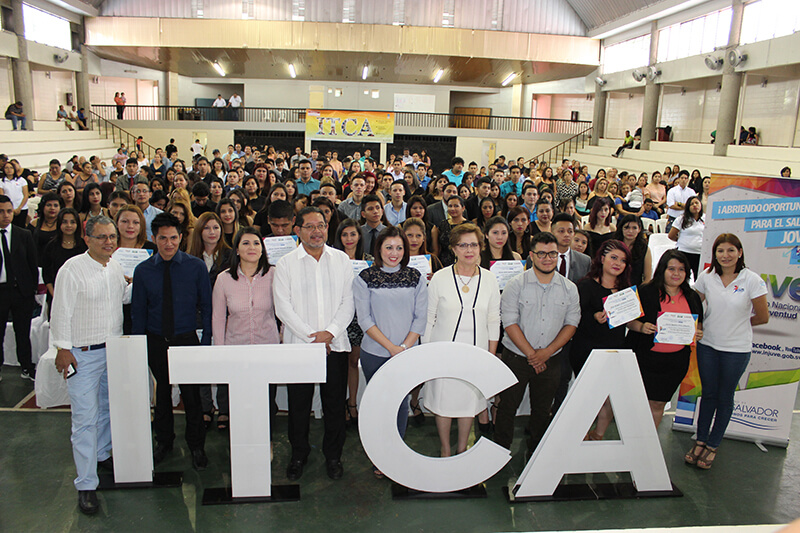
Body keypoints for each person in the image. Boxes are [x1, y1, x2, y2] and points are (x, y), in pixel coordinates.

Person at [51, 215, 127, 515]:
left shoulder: (116, 266)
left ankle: (102, 454)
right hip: (82, 354)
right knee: (84, 420)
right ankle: (85, 485)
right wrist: (62, 348)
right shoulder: (72, 270)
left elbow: (123, 298)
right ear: (87, 239)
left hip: (114, 351)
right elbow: (60, 312)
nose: (109, 242)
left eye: (112, 236)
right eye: (102, 237)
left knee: (107, 408)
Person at [273, 207, 355, 481]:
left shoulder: (341, 260)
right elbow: (283, 308)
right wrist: (313, 337)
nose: (317, 231)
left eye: (321, 225)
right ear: (297, 231)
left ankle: (333, 456)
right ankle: (299, 454)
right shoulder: (285, 263)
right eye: (310, 226)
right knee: (299, 406)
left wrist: (329, 333)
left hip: (336, 345)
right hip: (300, 347)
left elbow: (348, 303)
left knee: (334, 405)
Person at [131, 213, 212, 471]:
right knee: (162, 395)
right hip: (156, 340)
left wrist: (207, 340)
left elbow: (207, 307)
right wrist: (138, 345)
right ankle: (164, 442)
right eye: (163, 238)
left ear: (181, 237)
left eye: (173, 238)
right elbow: (138, 312)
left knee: (192, 397)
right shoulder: (143, 271)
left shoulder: (195, 267)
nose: (168, 244)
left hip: (187, 341)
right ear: (153, 239)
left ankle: (196, 445)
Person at [685, 234, 768, 469]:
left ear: (740, 252)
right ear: (715, 254)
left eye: (731, 250)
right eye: (720, 251)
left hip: (736, 349)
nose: (725, 255)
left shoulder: (751, 280)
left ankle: (713, 445)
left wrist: (738, 325)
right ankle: (700, 440)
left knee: (724, 396)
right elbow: (694, 304)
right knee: (709, 394)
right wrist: (697, 325)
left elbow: (763, 316)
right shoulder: (707, 277)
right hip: (708, 345)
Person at [494, 232, 580, 456]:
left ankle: (536, 453)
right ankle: (500, 451)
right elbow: (509, 322)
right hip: (516, 358)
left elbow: (571, 324)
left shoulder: (569, 288)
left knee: (542, 410)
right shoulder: (516, 285)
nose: (547, 258)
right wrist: (533, 354)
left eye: (552, 253)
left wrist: (547, 353)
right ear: (531, 256)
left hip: (552, 359)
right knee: (507, 407)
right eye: (541, 253)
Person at [353, 226, 427, 477]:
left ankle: (396, 455)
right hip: (375, 353)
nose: (394, 253)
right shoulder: (364, 277)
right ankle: (379, 455)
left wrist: (404, 347)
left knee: (402, 403)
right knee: (380, 405)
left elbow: (420, 318)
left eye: (399, 248)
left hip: (408, 353)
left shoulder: (416, 277)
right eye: (388, 247)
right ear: (379, 249)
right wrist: (390, 347)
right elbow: (364, 319)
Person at [422, 223, 501, 456]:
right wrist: (426, 353)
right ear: (454, 249)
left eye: (474, 245)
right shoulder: (439, 278)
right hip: (442, 352)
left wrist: (490, 354)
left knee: (469, 402)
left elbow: (494, 320)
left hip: (476, 353)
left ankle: (461, 447)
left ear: (481, 247)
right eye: (463, 245)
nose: (469, 250)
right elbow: (429, 319)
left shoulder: (489, 279)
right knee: (443, 403)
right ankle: (445, 448)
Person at [212, 227, 279, 434]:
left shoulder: (274, 275)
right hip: (236, 349)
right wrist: (221, 350)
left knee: (265, 400)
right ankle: (241, 441)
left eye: (257, 243)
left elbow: (283, 312)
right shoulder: (224, 279)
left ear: (263, 249)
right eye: (246, 243)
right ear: (237, 250)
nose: (252, 247)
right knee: (240, 402)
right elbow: (218, 317)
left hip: (267, 348)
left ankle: (264, 439)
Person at [626, 250, 704, 428]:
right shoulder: (646, 292)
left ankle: (647, 444)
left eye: (681, 269)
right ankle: (631, 441)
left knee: (658, 404)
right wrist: (641, 327)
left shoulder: (692, 297)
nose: (676, 274)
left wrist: (698, 333)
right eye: (671, 269)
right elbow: (628, 321)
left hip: (674, 363)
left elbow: (699, 326)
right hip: (644, 359)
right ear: (662, 270)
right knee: (636, 403)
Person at [570, 239, 632, 440]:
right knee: (588, 395)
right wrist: (594, 316)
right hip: (586, 349)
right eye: (614, 257)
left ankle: (599, 434)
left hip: (614, 349)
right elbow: (574, 317)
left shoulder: (626, 290)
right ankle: (580, 432)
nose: (618, 263)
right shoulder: (586, 285)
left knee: (609, 397)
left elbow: (630, 322)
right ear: (602, 258)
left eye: (623, 260)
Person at [549, 213, 591, 414]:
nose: (566, 235)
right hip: (546, 323)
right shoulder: (541, 257)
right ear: (552, 231)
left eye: (570, 231)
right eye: (561, 231)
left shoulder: (584, 261)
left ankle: (558, 414)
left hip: (572, 326)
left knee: (564, 374)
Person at [0, 195, 38, 381]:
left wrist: (31, 291)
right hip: (0, 292)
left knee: (23, 332)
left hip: (21, 292)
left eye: (8, 211)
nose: (6, 215)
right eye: (1, 211)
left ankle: (26, 366)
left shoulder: (24, 235)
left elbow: (32, 265)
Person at [668, 196, 705, 280]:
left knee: (699, 278)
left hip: (700, 253)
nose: (694, 205)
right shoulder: (681, 219)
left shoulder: (705, 218)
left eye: (696, 203)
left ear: (701, 205)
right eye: (691, 204)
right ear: (688, 207)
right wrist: (681, 240)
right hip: (684, 252)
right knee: (684, 277)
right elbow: (671, 235)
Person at [614, 214, 652, 286]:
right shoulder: (613, 246)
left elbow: (647, 278)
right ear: (621, 228)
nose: (630, 231)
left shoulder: (645, 249)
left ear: (639, 229)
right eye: (627, 227)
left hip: (635, 290)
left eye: (634, 228)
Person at [431, 195, 468, 267]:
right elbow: (438, 248)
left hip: (463, 263)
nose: (452, 208)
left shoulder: (469, 226)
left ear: (463, 208)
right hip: (444, 264)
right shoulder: (443, 224)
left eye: (456, 206)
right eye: (450, 206)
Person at [0, 161, 29, 227]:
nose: (9, 170)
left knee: (21, 227)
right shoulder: (1, 181)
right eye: (6, 168)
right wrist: (12, 209)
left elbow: (26, 195)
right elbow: (2, 196)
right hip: (8, 210)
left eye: (11, 168)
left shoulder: (21, 180)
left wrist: (19, 208)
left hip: (22, 208)